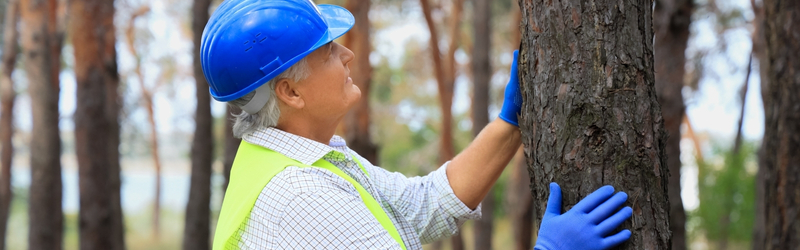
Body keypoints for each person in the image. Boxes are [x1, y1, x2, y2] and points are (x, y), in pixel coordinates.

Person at [202, 0, 633, 249]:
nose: (348, 56)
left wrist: (510, 125)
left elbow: (420, 206)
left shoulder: (296, 159)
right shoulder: (303, 197)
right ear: (290, 93)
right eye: (329, 52)